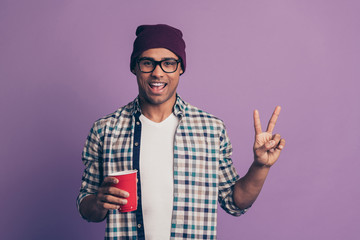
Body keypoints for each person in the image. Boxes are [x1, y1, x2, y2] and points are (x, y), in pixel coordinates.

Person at [77, 24, 285, 240]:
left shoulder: (211, 130)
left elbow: (235, 202)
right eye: (147, 63)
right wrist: (99, 201)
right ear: (135, 67)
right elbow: (86, 205)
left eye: (168, 63)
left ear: (180, 68)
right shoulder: (105, 130)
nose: (157, 73)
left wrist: (261, 166)